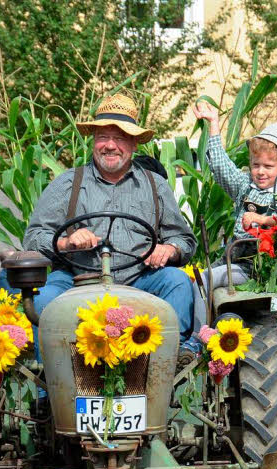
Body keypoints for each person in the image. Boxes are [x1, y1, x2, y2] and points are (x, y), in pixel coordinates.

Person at [24, 93, 197, 343]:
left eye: (120, 138)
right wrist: (66, 242)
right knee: (44, 299)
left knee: (178, 281)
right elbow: (32, 238)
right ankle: (50, 379)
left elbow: (184, 239)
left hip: (141, 280)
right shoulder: (68, 183)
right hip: (76, 281)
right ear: (93, 141)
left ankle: (170, 364)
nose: (110, 145)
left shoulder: (155, 184)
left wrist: (168, 249)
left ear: (135, 144)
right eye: (103, 137)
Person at [192, 101, 277, 287]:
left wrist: (262, 220)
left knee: (205, 281)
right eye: (256, 165)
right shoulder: (245, 185)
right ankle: (209, 316)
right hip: (233, 257)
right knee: (195, 279)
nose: (260, 171)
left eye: (268, 166)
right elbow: (221, 166)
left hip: (261, 267)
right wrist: (214, 123)